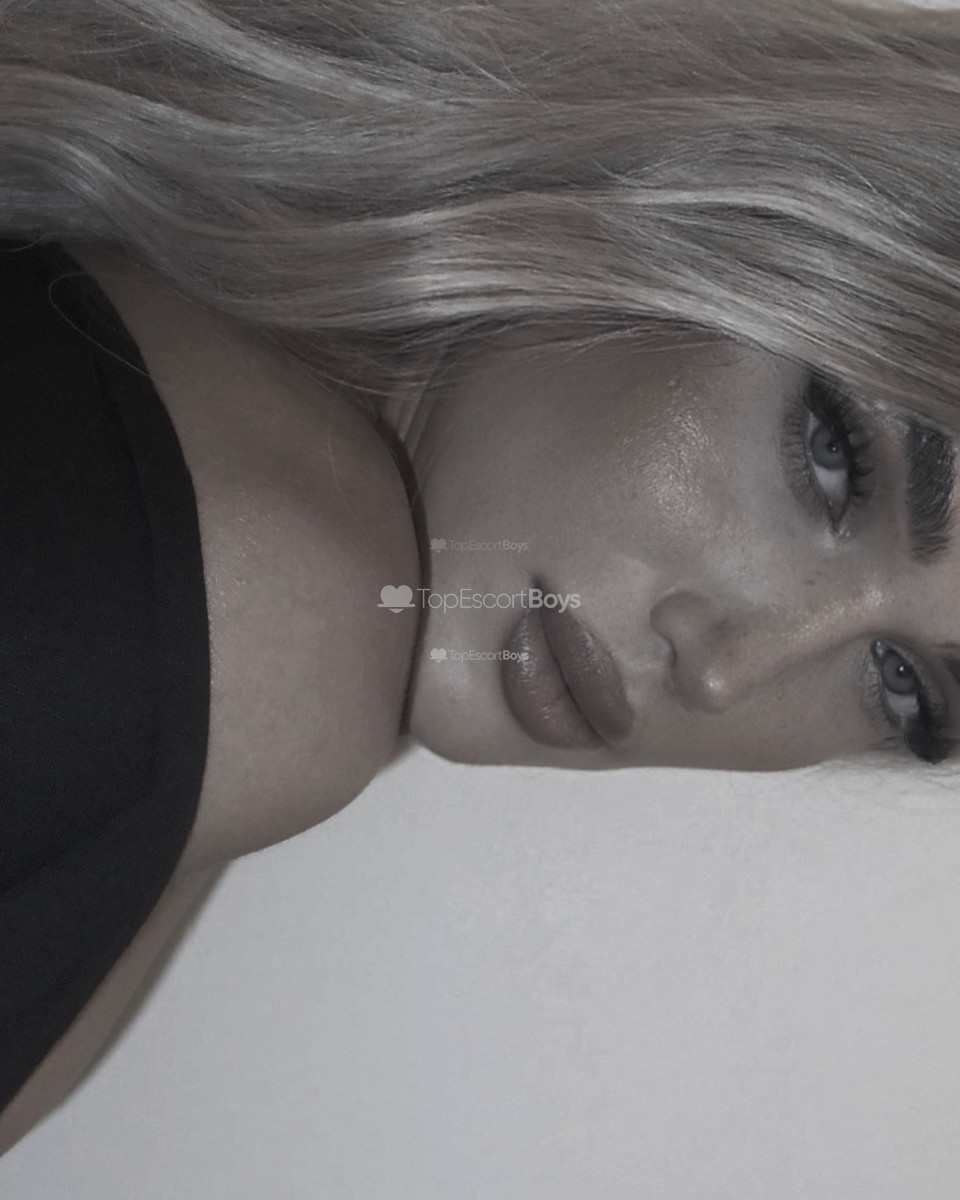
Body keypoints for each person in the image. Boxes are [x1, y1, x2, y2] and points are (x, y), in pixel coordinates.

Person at [2, 0, 959, 1154]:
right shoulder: (273, 599)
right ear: (703, 193)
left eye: (904, 687)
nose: (727, 672)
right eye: (832, 454)